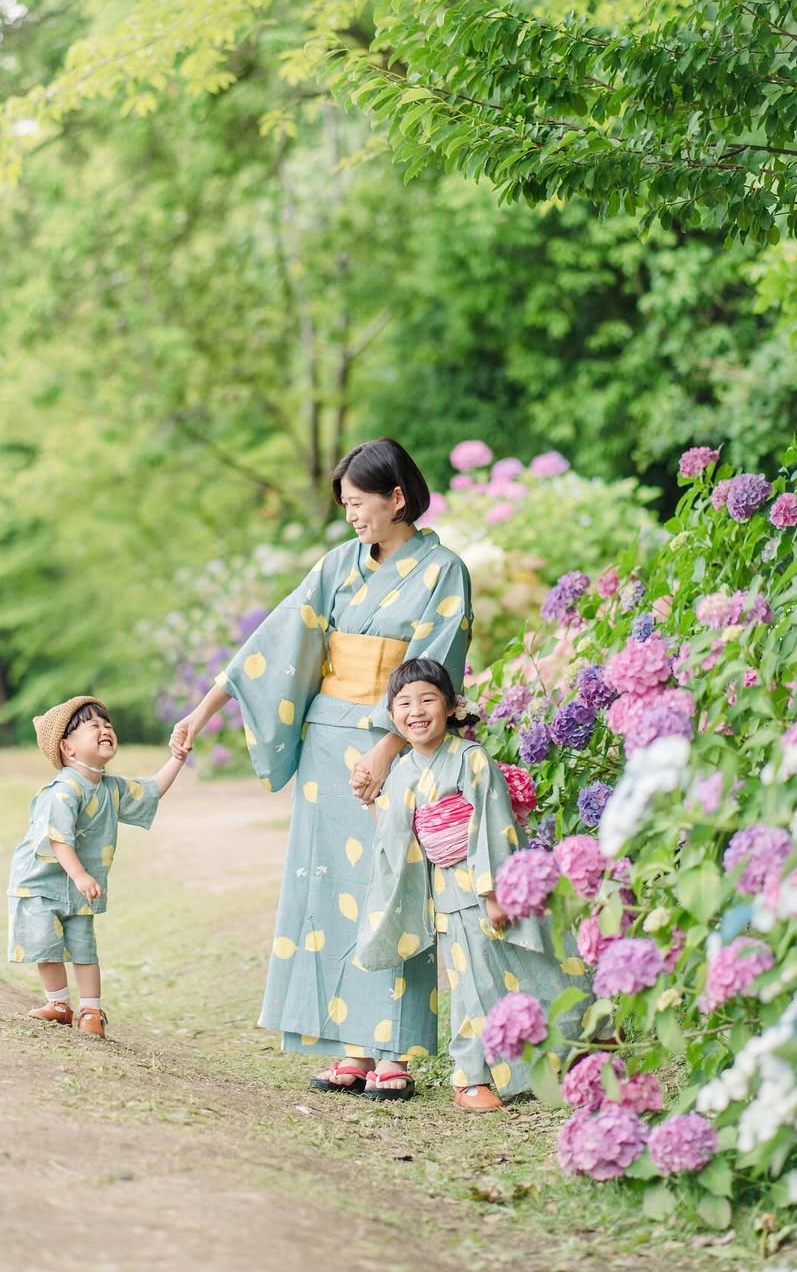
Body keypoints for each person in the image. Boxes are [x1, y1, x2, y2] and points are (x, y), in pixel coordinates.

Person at [170, 438, 472, 1097]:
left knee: (391, 885)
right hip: (326, 745)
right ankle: (348, 1046)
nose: (351, 516)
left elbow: (435, 666)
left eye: (359, 503)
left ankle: (393, 1050)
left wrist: (388, 746)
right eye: (345, 505)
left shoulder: (443, 571)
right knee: (328, 886)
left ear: (397, 497)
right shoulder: (339, 565)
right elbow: (275, 642)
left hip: (396, 745)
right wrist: (203, 710)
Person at [356, 658, 594, 1111]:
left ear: (450, 706)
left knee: (542, 961)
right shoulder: (402, 771)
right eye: (404, 703)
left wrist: (493, 892)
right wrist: (370, 802)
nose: (416, 711)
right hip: (449, 893)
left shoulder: (471, 758)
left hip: (496, 884)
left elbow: (493, 823)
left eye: (428, 699)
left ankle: (581, 1044)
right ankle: (471, 1078)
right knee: (472, 986)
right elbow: (394, 834)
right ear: (391, 715)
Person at [8, 695, 187, 1039]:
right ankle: (58, 1004)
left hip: (81, 884)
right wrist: (79, 875)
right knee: (47, 945)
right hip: (41, 883)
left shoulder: (110, 788)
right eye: (94, 726)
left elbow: (149, 791)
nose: (105, 729)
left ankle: (91, 1011)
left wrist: (177, 759)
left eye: (108, 725)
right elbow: (58, 838)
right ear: (68, 748)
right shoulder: (63, 791)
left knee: (83, 945)